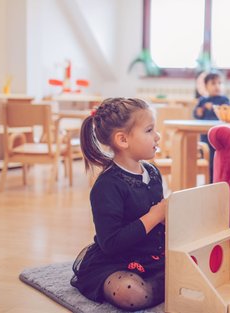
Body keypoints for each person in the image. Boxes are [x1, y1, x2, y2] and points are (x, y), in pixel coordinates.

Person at [71, 98, 166, 311]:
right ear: (123, 140)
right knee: (131, 292)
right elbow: (111, 243)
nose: (157, 136)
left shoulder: (153, 173)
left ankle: (166, 282)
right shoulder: (107, 186)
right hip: (116, 261)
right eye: (150, 130)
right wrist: (155, 216)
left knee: (196, 263)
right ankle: (166, 286)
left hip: (151, 255)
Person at [193, 72, 230, 182]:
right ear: (206, 86)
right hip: (206, 137)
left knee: (221, 160)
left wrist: (217, 108)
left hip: (220, 136)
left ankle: (221, 181)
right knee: (209, 160)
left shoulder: (224, 100)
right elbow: (197, 114)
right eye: (213, 83)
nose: (217, 86)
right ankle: (210, 182)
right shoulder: (203, 101)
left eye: (219, 83)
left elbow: (227, 113)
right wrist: (201, 110)